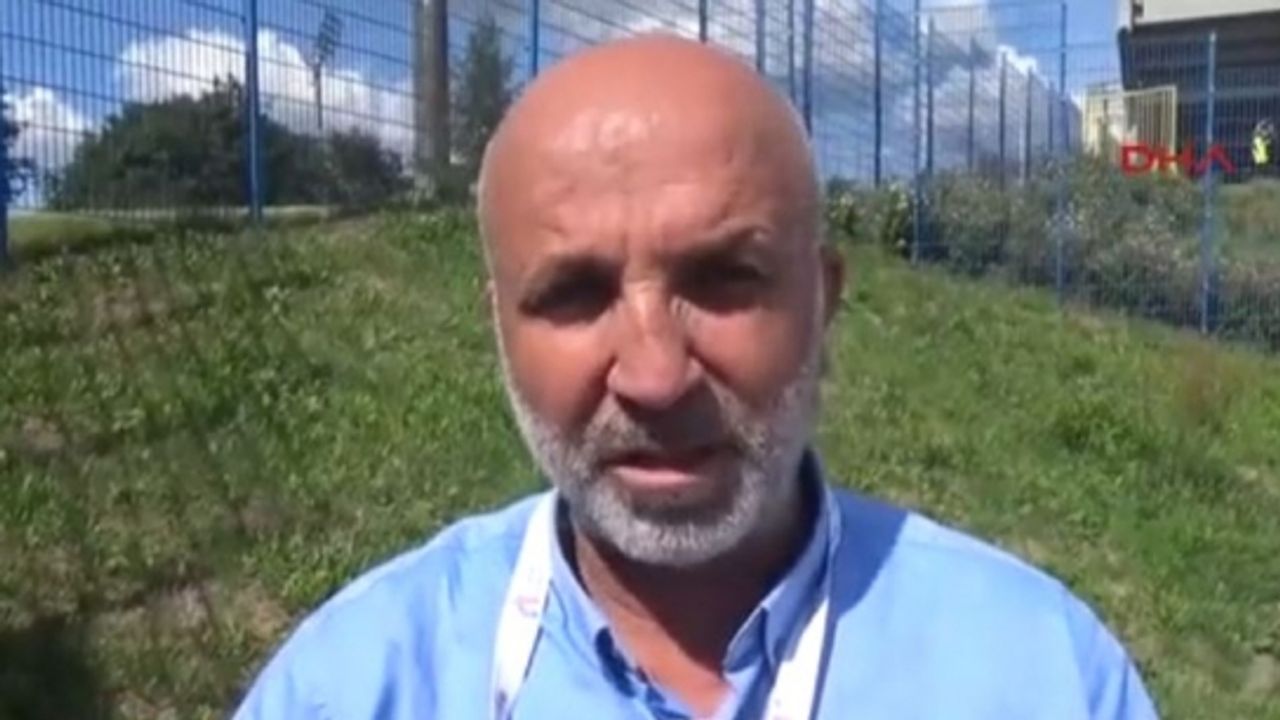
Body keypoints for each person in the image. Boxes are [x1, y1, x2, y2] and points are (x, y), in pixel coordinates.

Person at [233, 35, 1159, 719]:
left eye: (722, 280)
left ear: (823, 303)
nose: (655, 375)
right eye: (575, 294)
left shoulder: (1040, 676)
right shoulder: (354, 686)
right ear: (500, 329)